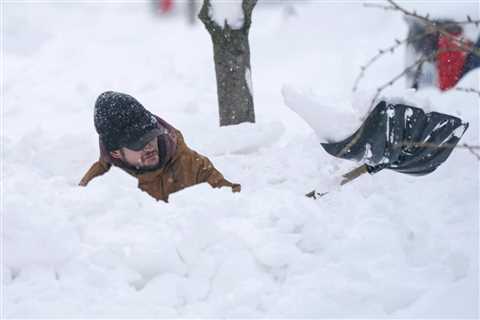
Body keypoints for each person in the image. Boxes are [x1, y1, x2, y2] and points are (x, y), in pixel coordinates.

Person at [79, 91, 241, 202]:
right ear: (116, 153)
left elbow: (235, 202)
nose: (149, 147)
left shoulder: (191, 165)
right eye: (138, 144)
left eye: (150, 137)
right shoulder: (99, 187)